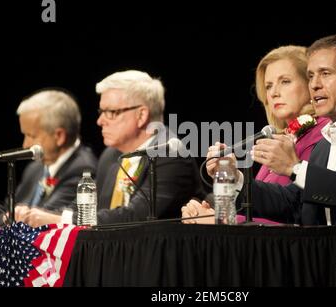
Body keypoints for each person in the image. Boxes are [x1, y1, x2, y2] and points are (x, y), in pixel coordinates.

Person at [189, 34, 336, 231]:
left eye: (325, 74)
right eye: (311, 76)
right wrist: (234, 177)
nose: (315, 85)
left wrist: (295, 168)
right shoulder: (327, 142)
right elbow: (294, 204)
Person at [22, 70, 205, 227]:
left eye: (111, 112)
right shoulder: (111, 155)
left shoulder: (170, 153)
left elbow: (135, 216)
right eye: (101, 112)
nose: (100, 121)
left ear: (141, 115)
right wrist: (38, 215)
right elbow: (87, 206)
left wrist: (60, 219)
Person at [182, 45, 329, 224]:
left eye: (285, 81)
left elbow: (293, 212)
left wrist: (219, 223)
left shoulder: (322, 134)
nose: (274, 93)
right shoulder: (280, 138)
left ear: (310, 84)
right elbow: (257, 206)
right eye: (268, 86)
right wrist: (225, 178)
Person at [0, 89, 98, 229]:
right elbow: (3, 212)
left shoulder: (82, 170)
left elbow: (38, 221)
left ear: (59, 136)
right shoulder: (35, 168)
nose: (25, 145)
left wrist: (10, 217)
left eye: (31, 136)